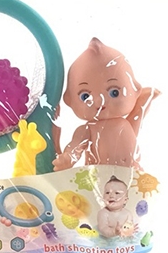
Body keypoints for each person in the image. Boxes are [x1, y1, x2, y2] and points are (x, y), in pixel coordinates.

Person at [52, 38, 160, 172]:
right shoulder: (88, 129)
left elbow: (137, 118)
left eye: (114, 92)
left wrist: (146, 100)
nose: (99, 101)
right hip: (98, 178)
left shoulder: (124, 124)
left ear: (135, 90)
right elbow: (75, 148)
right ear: (69, 100)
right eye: (85, 96)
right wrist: (67, 159)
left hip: (131, 175)